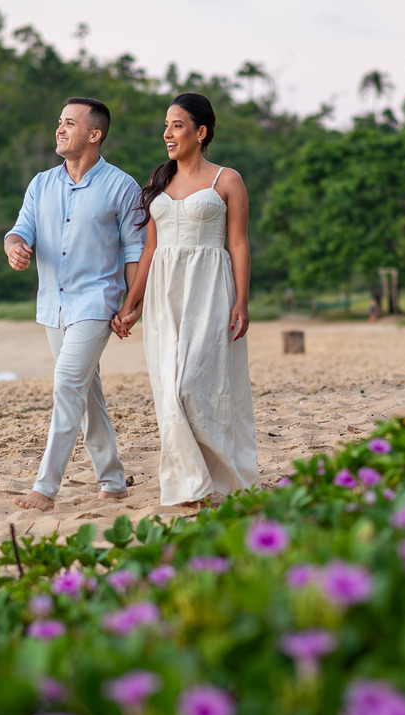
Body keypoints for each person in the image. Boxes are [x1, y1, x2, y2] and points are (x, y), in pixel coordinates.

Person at [112, 93, 259, 506]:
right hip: (163, 294)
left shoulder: (226, 180)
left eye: (176, 125)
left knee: (194, 384)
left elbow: (238, 244)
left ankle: (219, 476)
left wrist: (242, 301)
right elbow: (149, 250)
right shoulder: (161, 181)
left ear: (201, 131)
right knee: (168, 386)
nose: (167, 133)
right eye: (166, 125)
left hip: (209, 289)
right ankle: (191, 484)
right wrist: (131, 304)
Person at [4, 97, 145, 511]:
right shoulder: (41, 184)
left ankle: (45, 488)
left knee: (67, 383)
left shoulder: (122, 186)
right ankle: (113, 481)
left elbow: (135, 251)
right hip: (53, 303)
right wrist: (14, 247)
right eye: (60, 122)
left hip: (97, 302)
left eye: (70, 123)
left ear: (94, 134)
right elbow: (20, 229)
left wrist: (133, 303)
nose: (60, 129)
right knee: (86, 391)